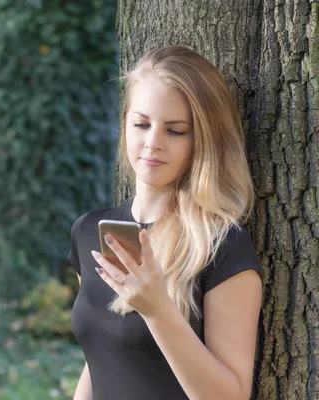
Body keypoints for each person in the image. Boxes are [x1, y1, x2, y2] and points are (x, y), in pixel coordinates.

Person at [69, 46, 263, 400]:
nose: (152, 143)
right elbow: (98, 359)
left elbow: (230, 396)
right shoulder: (88, 232)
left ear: (203, 140)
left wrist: (158, 311)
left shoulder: (221, 246)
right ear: (125, 123)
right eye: (141, 124)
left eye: (175, 131)